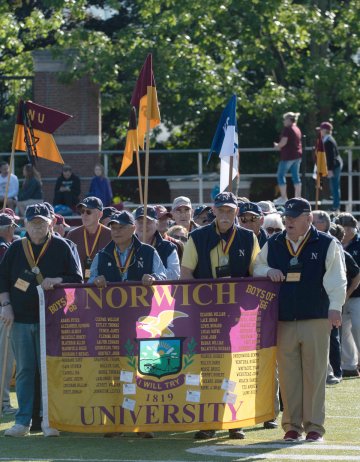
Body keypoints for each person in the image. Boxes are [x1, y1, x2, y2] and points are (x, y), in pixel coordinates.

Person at [254, 198, 346, 442]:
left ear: (309, 218)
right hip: (283, 319)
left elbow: (337, 278)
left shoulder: (326, 242)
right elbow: (256, 267)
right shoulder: (274, 243)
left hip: (316, 317)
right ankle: (292, 426)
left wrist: (335, 307)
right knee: (288, 375)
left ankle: (314, 426)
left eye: (295, 217)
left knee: (315, 374)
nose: (289, 221)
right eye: (287, 216)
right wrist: (267, 271)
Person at [181, 192, 260, 440]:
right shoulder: (197, 237)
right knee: (208, 369)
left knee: (236, 369)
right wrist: (205, 300)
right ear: (213, 211)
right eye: (221, 210)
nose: (225, 214)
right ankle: (208, 421)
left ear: (237, 211)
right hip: (206, 316)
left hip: (238, 317)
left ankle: (236, 421)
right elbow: (186, 275)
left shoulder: (248, 237)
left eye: (230, 210)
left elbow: (257, 275)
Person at [0, 203, 83, 437]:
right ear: (25, 224)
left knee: (51, 370)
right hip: (20, 319)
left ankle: (51, 420)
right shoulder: (16, 248)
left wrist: (57, 280)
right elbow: (3, 279)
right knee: (25, 370)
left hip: (53, 320)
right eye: (33, 223)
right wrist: (5, 306)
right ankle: (23, 421)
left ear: (51, 223)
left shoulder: (63, 246)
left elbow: (77, 280)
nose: (37, 227)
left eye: (41, 223)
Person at [329, 222, 360, 382]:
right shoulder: (339, 248)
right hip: (339, 299)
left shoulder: (343, 251)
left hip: (354, 297)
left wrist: (347, 294)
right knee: (345, 333)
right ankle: (349, 366)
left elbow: (357, 275)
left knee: (357, 328)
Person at [67, 197, 111, 281]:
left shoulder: (110, 235)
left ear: (100, 214)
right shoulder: (72, 235)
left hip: (104, 287)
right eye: (82, 212)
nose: (84, 215)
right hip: (79, 286)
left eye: (88, 212)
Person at [0, 213, 18, 416]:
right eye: (13, 226)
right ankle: (3, 403)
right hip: (3, 308)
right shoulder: (5, 249)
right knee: (4, 359)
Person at [134, 206, 180, 281]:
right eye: (140, 222)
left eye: (148, 222)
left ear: (156, 225)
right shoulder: (127, 245)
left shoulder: (168, 247)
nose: (144, 226)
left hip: (160, 291)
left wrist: (155, 277)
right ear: (134, 225)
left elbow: (174, 275)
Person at [273, 112, 302, 205]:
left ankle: (283, 197)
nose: (283, 121)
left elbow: (283, 142)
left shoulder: (287, 129)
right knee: (296, 177)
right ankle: (298, 197)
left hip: (288, 156)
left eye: (284, 119)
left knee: (280, 175)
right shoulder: (297, 128)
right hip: (297, 156)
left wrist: (277, 145)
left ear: (289, 120)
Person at [319, 122, 343, 212]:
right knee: (334, 186)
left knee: (335, 186)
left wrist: (330, 169)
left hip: (334, 166)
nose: (320, 131)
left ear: (325, 130)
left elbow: (331, 156)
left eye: (321, 129)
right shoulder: (328, 139)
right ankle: (335, 204)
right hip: (335, 165)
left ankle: (336, 206)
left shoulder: (328, 141)